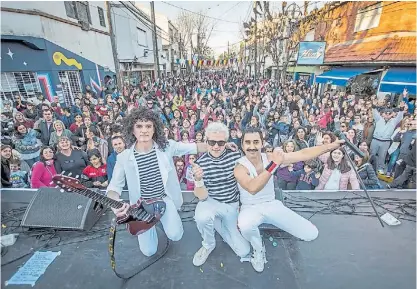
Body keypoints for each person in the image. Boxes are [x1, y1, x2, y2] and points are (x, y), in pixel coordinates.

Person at [106, 108, 236, 257]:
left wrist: (221, 145)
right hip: (140, 207)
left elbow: (194, 147)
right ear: (132, 130)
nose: (144, 130)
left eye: (148, 126)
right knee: (149, 252)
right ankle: (151, 228)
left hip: (164, 199)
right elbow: (114, 187)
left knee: (176, 235)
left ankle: (164, 221)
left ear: (155, 128)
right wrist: (114, 203)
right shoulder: (124, 157)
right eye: (139, 126)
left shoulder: (167, 147)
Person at [234, 127, 343, 272]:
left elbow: (303, 154)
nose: (252, 146)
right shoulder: (240, 166)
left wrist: (330, 146)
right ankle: (258, 249)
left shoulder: (270, 157)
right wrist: (274, 164)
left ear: (262, 143)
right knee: (245, 225)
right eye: (248, 142)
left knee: (310, 234)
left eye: (256, 142)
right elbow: (253, 188)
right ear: (242, 145)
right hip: (249, 207)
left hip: (271, 204)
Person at [190, 122, 250, 267]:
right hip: (211, 202)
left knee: (243, 251)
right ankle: (208, 244)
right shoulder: (200, 163)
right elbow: (202, 197)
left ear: (226, 142)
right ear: (206, 141)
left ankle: (218, 226)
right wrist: (198, 180)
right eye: (212, 142)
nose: (216, 146)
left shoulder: (236, 157)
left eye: (221, 142)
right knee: (202, 218)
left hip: (231, 205)